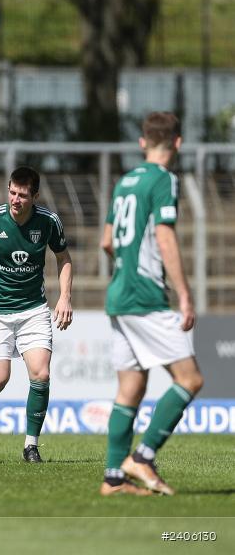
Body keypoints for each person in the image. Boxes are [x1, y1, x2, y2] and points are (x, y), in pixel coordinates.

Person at [99, 112, 202, 496]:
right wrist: (185, 294)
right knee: (190, 379)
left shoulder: (125, 182)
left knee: (130, 389)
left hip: (118, 294)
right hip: (144, 296)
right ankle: (142, 457)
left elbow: (107, 241)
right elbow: (165, 238)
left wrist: (127, 266)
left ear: (143, 143)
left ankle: (113, 479)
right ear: (177, 142)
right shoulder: (164, 180)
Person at [0, 166, 73, 463]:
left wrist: (65, 297)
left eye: (23, 195)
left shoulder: (48, 221)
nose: (16, 199)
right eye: (12, 192)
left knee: (41, 373)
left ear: (35, 196)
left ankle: (30, 445)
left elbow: (63, 258)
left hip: (33, 309)